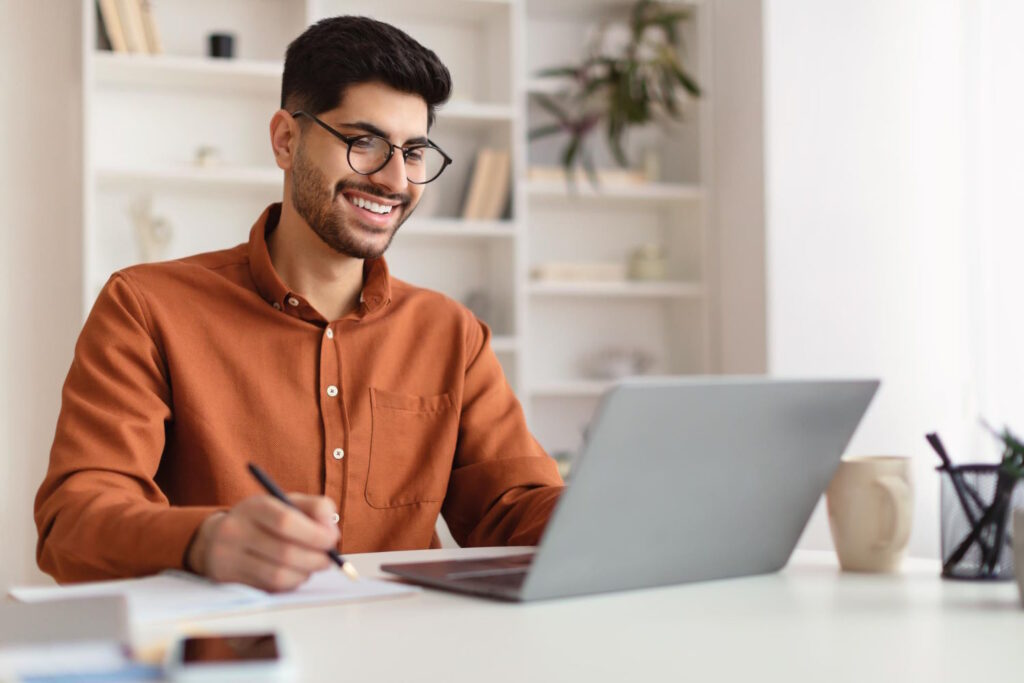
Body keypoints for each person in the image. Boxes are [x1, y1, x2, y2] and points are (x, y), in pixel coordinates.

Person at [35, 16, 564, 591]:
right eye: (363, 142)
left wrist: (624, 513)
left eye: (414, 152)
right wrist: (206, 540)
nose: (394, 178)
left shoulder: (451, 333)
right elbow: (73, 523)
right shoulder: (146, 307)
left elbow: (512, 510)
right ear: (286, 140)